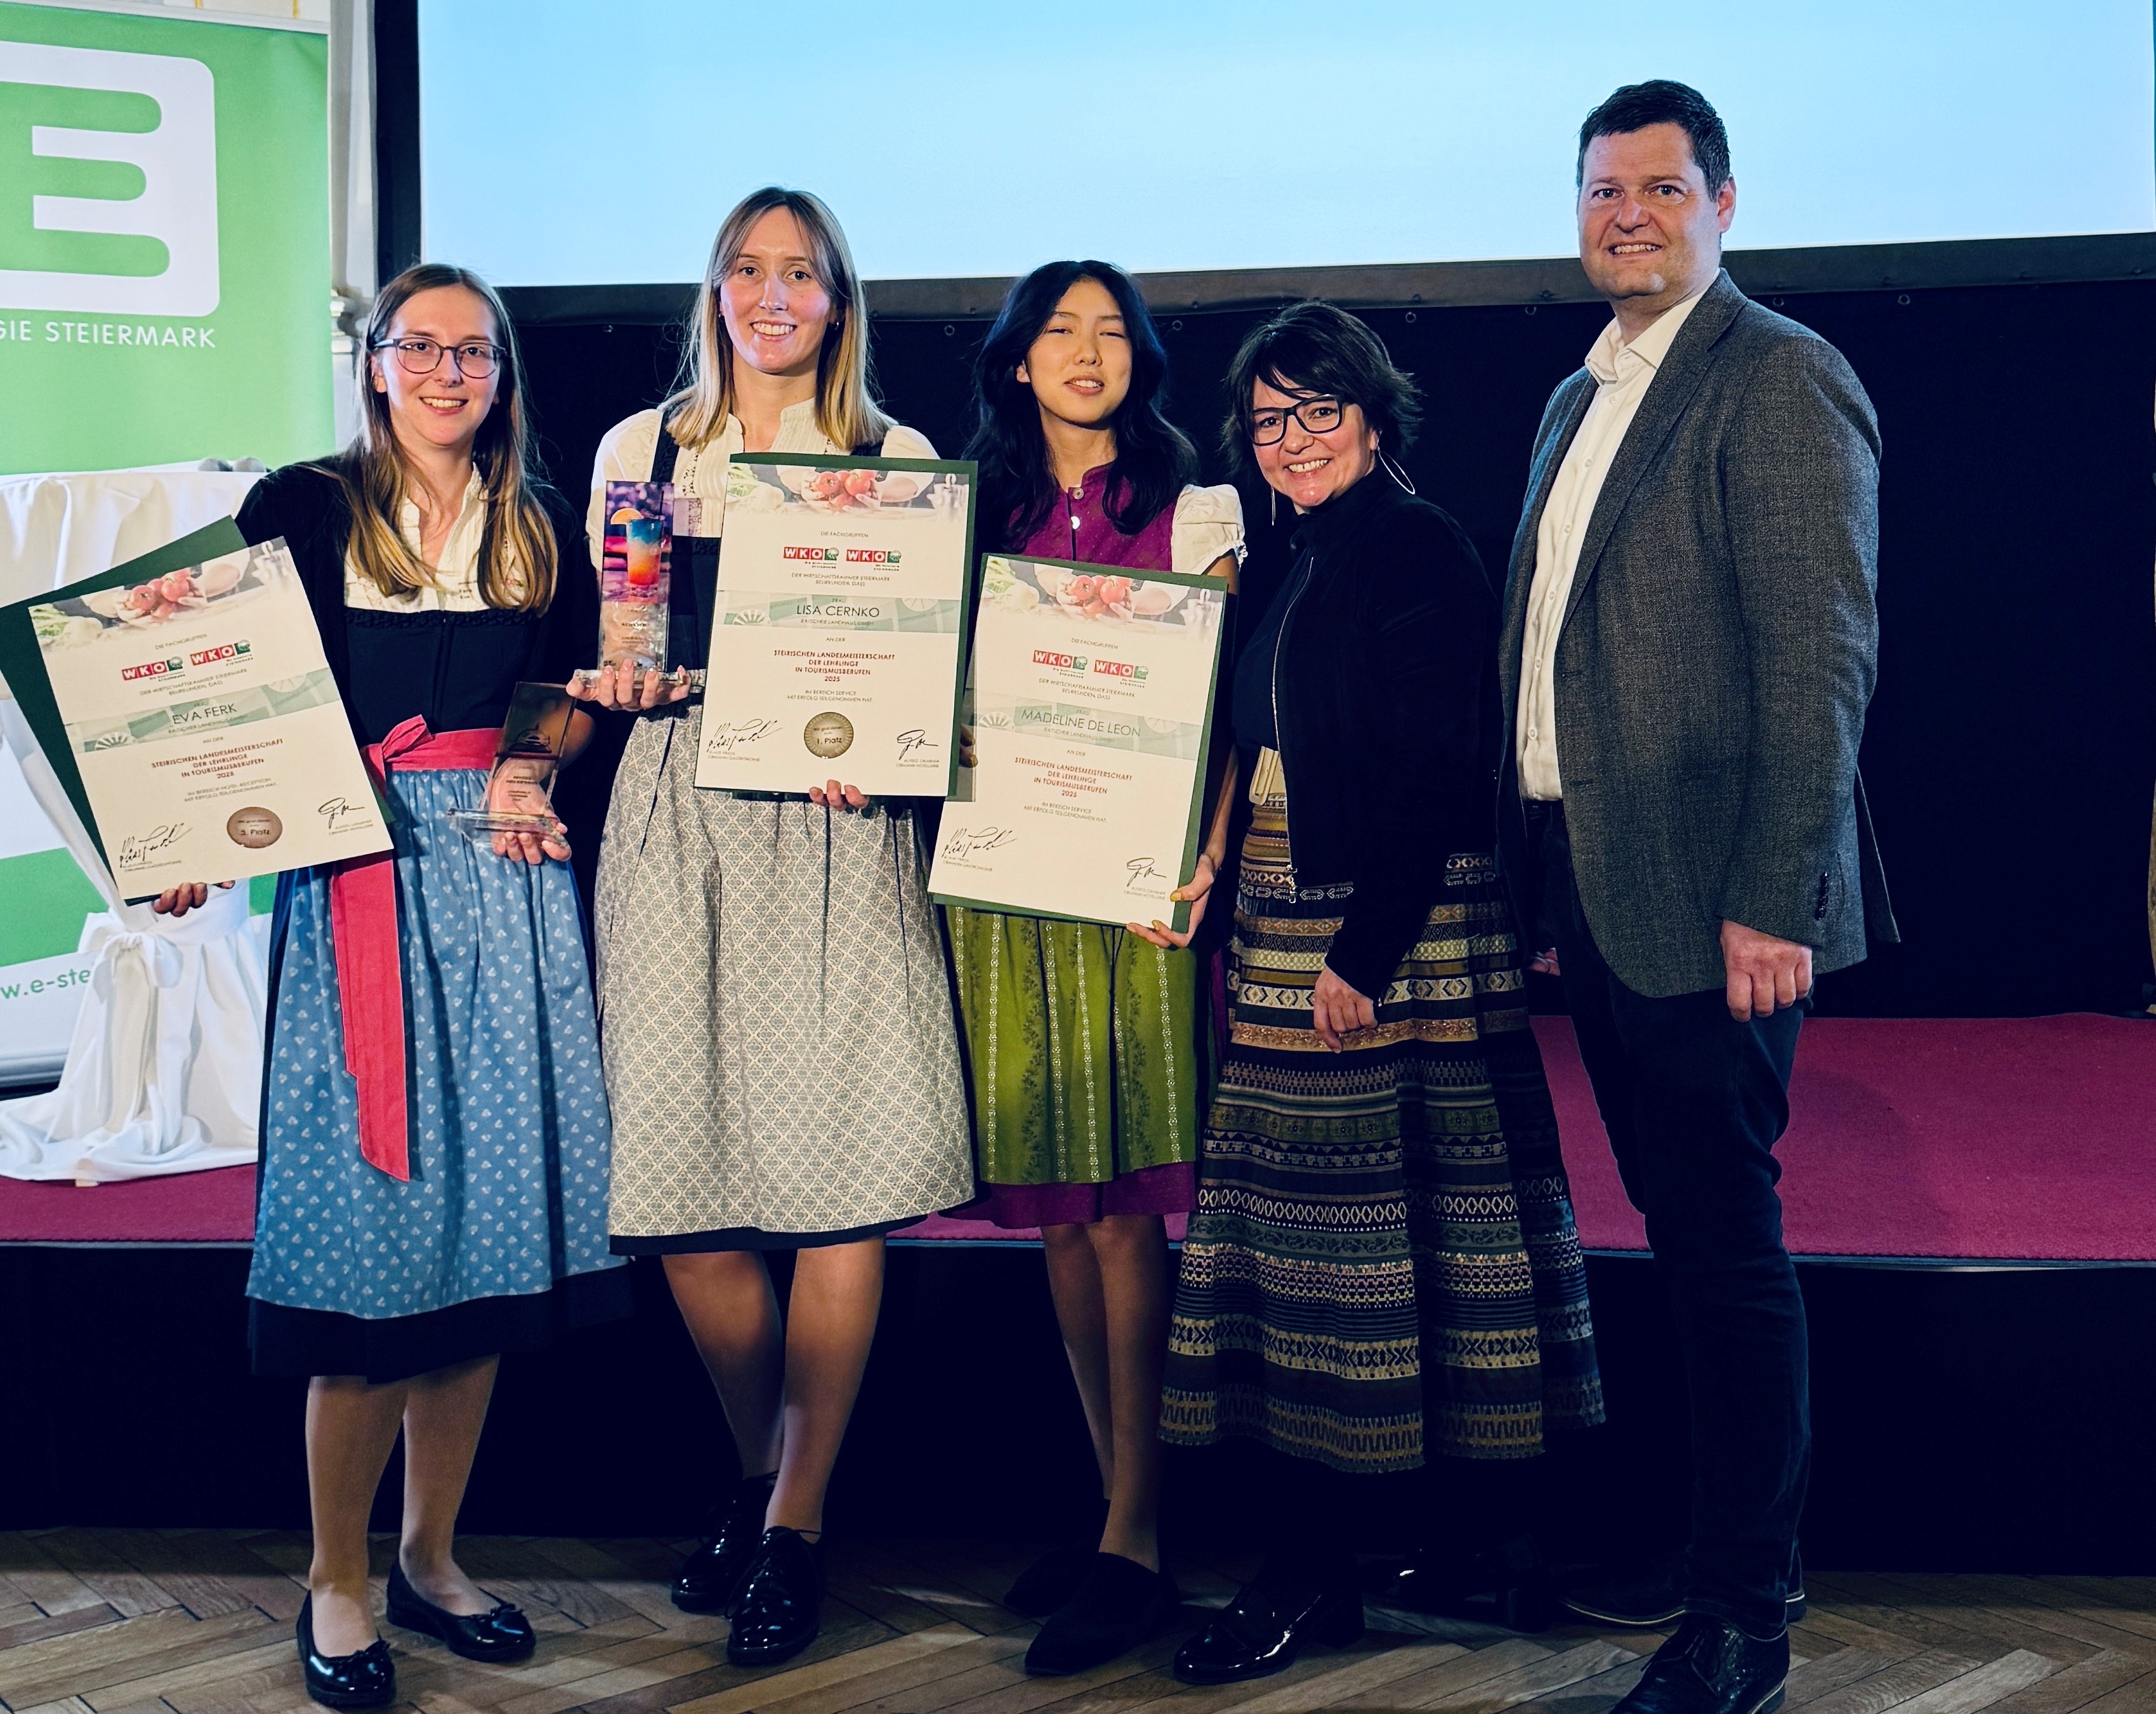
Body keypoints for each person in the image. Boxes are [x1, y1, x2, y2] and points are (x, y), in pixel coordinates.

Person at [155, 263, 627, 1708]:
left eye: (472, 352)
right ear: (374, 364)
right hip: (358, 874)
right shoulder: (301, 509)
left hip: (502, 878)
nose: (446, 373)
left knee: (480, 1249)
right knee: (367, 1260)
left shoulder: (537, 522)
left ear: (501, 373)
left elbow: (563, 691)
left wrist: (534, 763)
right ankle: (337, 1577)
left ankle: (428, 1555)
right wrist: (189, 833)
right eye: (419, 347)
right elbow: (226, 697)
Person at [1498, 82, 1894, 1714]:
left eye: (1662, 188)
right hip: (1601, 886)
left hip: (1719, 905)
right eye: (1604, 190)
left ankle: (1745, 1614)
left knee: (1725, 1251)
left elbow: (1821, 658)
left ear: (1724, 204)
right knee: (1678, 1235)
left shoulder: (1778, 373)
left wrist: (1773, 897)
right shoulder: (1574, 394)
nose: (1628, 216)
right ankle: (1705, 1550)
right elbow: (1554, 650)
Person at [1159, 301, 1603, 1685]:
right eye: (1268, 418)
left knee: (1365, 1257)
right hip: (1295, 910)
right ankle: (1418, 1551)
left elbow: (1436, 768)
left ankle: (1324, 1571)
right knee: (1368, 1255)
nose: (1292, 439)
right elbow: (1259, 739)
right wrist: (1214, 857)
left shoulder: (1414, 544)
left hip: (1382, 936)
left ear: (1372, 414)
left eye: (1318, 410)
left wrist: (1358, 954)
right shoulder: (1295, 553)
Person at [571, 187, 973, 1668]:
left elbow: (921, 664)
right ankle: (760, 1476)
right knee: (682, 1188)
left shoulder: (894, 457)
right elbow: (622, 637)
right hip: (676, 812)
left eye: (800, 271)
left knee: (836, 1185)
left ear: (838, 301)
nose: (771, 294)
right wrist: (623, 679)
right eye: (747, 268)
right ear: (714, 292)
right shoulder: (641, 448)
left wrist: (892, 732)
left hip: (830, 820)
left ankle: (796, 1523)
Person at [943, 260, 1244, 1676]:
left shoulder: (1195, 502)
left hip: (1136, 887)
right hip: (1005, 878)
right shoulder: (965, 509)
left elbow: (1227, 700)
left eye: (1111, 332)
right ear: (1016, 360)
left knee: (1126, 1219)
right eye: (1059, 330)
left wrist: (1213, 849)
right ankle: (1115, 1499)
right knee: (1061, 1218)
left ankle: (1138, 1531)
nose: (1086, 351)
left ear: (1141, 360)